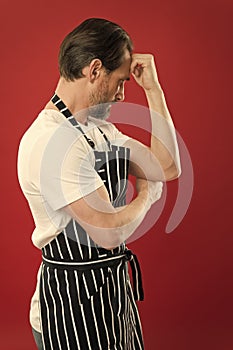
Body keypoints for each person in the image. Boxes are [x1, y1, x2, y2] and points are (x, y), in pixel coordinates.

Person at [17, 18, 181, 350]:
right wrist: (147, 195)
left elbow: (166, 166)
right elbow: (109, 233)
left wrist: (154, 89)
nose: (122, 95)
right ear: (94, 70)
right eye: (120, 82)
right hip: (71, 309)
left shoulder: (97, 130)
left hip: (112, 298)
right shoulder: (53, 142)